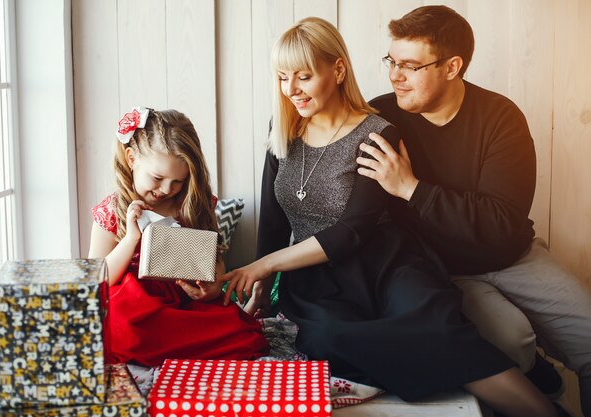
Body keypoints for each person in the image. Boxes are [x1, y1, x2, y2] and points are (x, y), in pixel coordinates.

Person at [220, 16, 557, 417]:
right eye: (281, 77)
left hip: (388, 264)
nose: (291, 89)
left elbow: (353, 231)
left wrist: (263, 265)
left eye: (303, 76)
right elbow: (274, 222)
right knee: (327, 337)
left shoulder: (379, 131)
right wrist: (264, 286)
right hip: (316, 275)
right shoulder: (283, 130)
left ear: (338, 69)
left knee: (438, 330)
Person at [359, 5, 591, 416]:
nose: (394, 75)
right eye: (391, 61)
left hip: (514, 256)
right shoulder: (380, 118)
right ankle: (535, 369)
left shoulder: (501, 118)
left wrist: (411, 189)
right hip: (443, 268)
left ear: (452, 66)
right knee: (512, 341)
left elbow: (502, 224)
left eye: (410, 66)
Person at [88, 107, 269, 367]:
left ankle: (179, 348)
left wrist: (210, 290)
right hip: (136, 307)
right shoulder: (112, 211)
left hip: (184, 303)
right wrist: (130, 239)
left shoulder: (193, 204)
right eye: (158, 178)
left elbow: (214, 264)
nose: (166, 190)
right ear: (131, 158)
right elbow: (97, 280)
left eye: (178, 182)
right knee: (115, 325)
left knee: (244, 334)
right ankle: (162, 348)